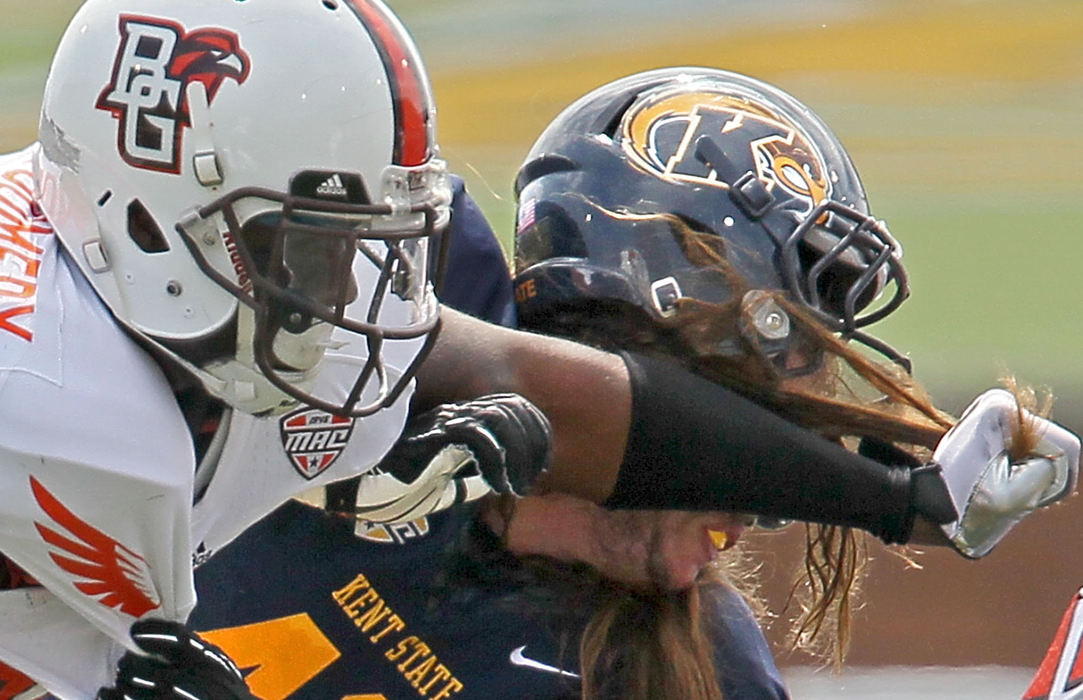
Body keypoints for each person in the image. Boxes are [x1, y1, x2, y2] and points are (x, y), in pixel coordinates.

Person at [0, 0, 1074, 695]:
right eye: (749, 414)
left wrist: (899, 494)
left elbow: (570, 395)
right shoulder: (158, 376)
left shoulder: (684, 676)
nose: (757, 480)